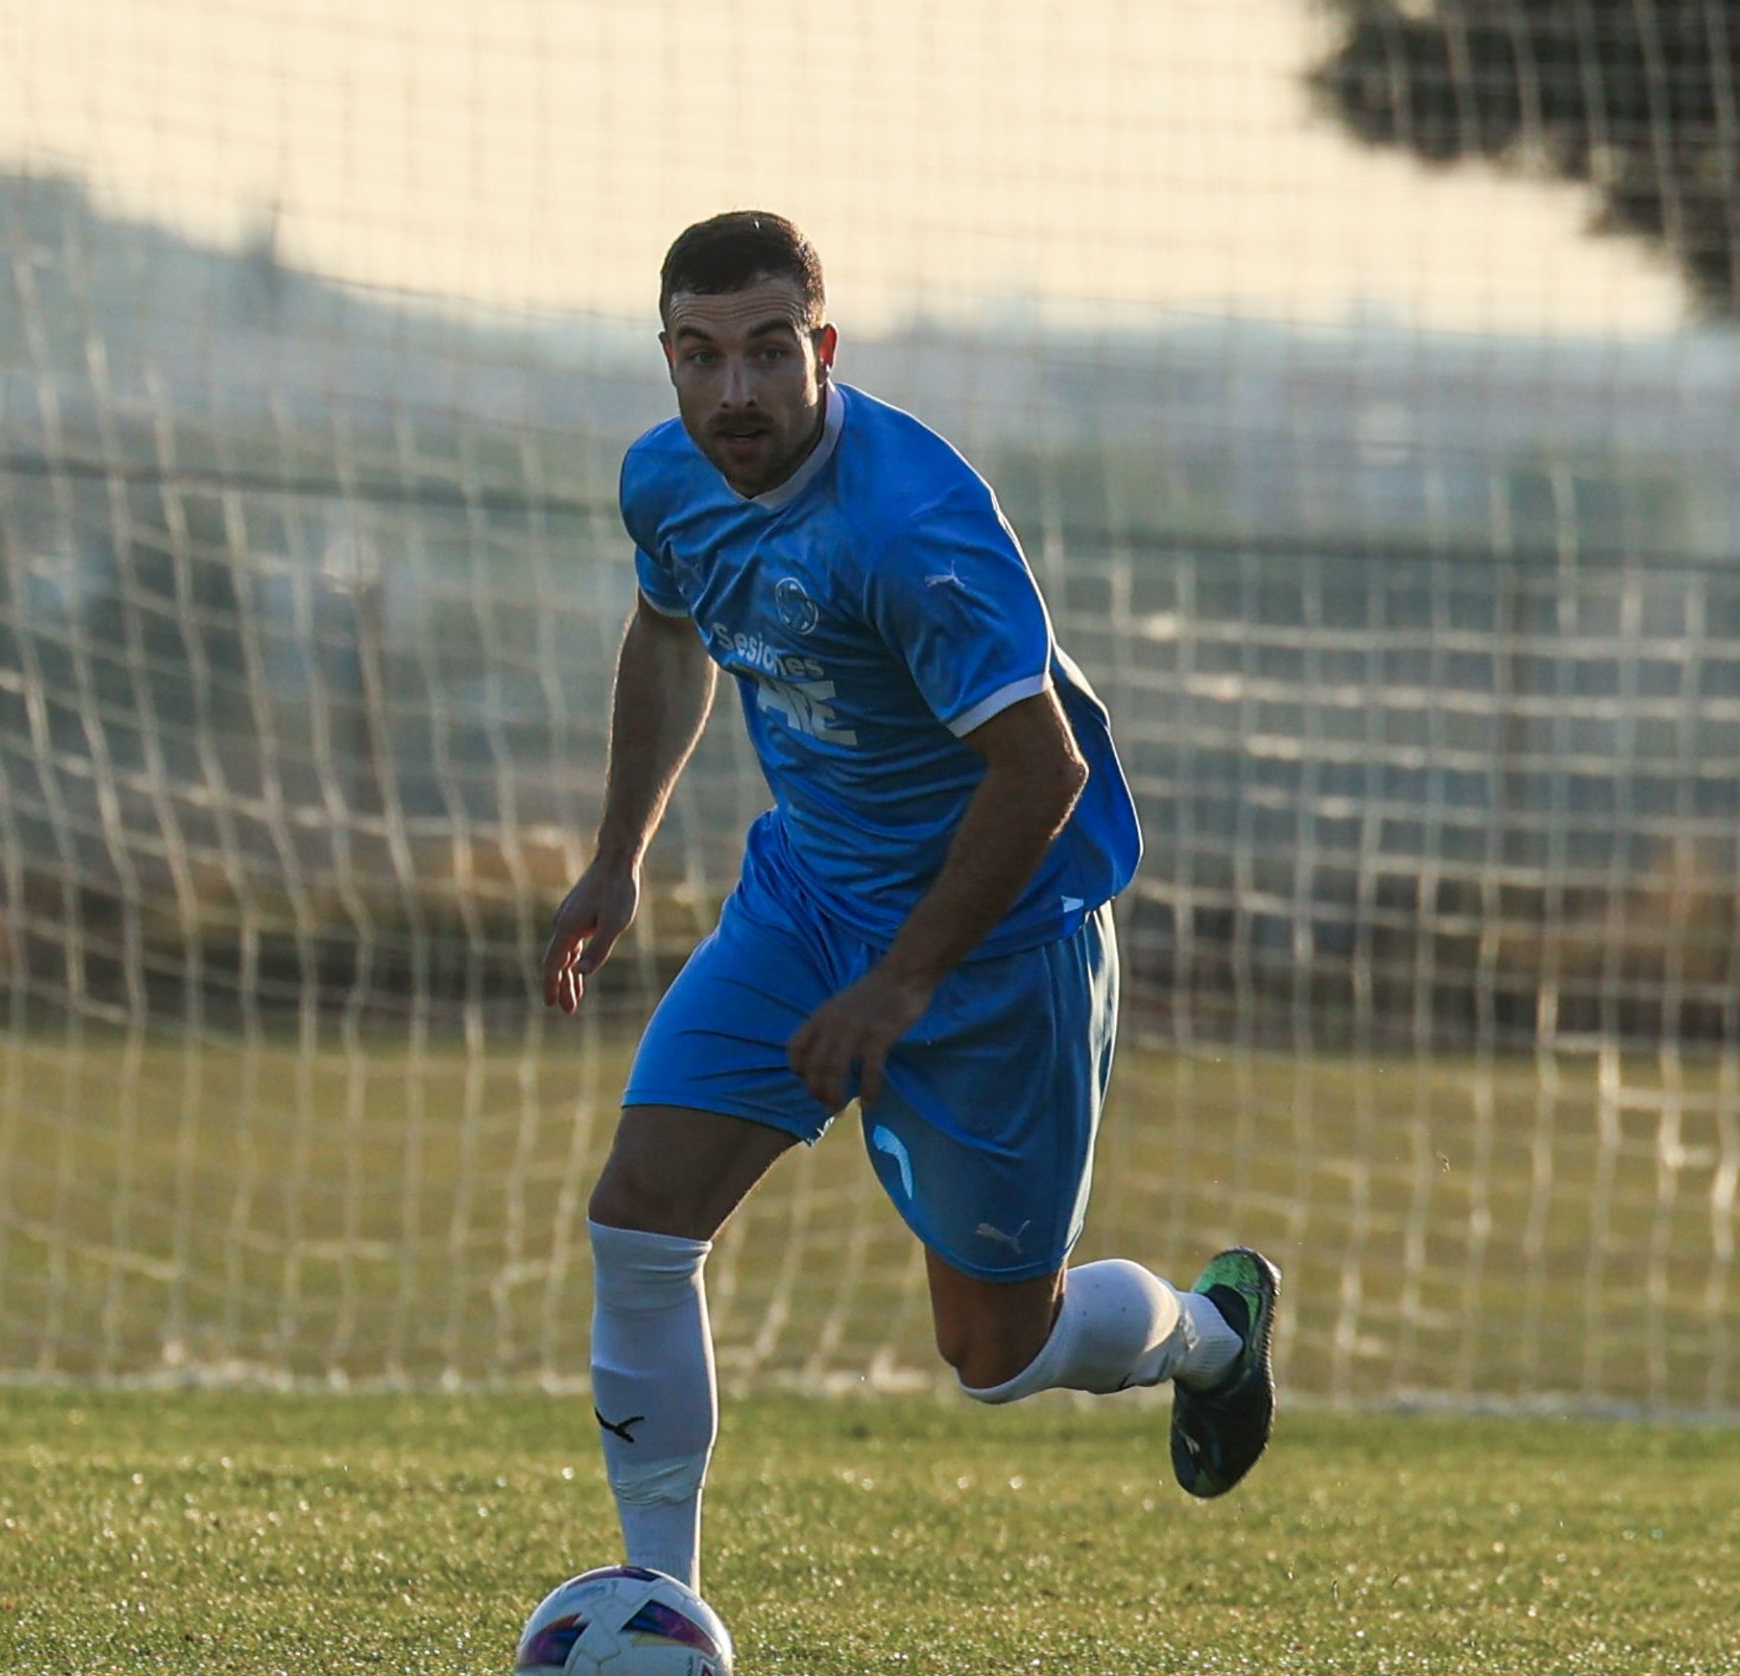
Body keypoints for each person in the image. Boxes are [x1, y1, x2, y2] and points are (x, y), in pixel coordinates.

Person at [543, 211, 1279, 1597]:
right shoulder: (667, 479)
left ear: (823, 349)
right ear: (668, 358)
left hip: (999, 944)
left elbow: (1044, 770)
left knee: (996, 1353)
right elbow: (668, 630)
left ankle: (1210, 1338)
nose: (736, 391)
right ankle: (658, 1609)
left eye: (770, 352)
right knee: (639, 1219)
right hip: (807, 897)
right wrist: (619, 853)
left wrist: (902, 983)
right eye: (701, 356)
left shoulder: (911, 526)